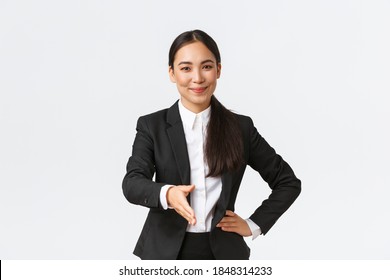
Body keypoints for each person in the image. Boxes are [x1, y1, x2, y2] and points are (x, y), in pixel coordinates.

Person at [122, 29, 301, 260]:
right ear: (172, 73)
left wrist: (253, 224)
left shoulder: (240, 128)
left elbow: (287, 182)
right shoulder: (151, 126)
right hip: (164, 253)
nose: (197, 78)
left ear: (218, 70)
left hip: (224, 254)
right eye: (186, 68)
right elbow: (132, 183)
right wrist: (168, 194)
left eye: (206, 66)